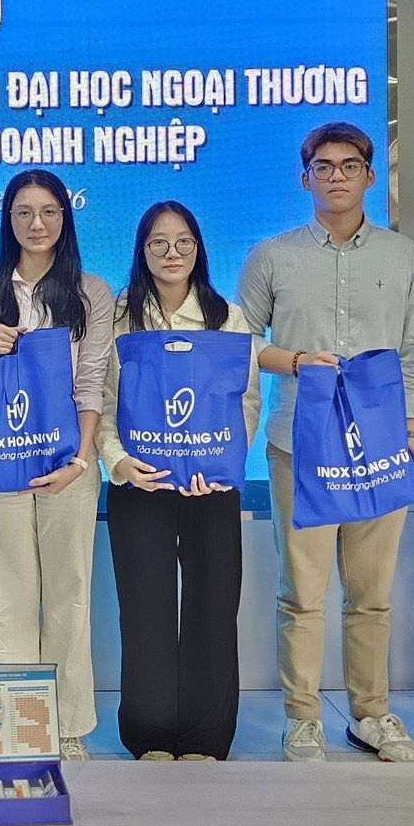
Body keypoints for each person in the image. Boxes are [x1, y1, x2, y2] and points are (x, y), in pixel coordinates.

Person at [237, 121, 414, 764]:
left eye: (350, 165)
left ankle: (371, 715)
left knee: (370, 595)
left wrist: (410, 431)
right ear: (306, 178)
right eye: (323, 167)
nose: (337, 176)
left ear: (370, 175)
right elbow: (240, 342)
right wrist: (294, 361)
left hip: (382, 446)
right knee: (302, 594)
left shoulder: (403, 256)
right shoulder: (273, 256)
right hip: (300, 443)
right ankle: (302, 720)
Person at [0, 169, 113, 761]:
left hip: (68, 465)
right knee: (4, 596)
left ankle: (67, 726)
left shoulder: (91, 292)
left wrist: (81, 459)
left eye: (48, 211)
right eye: (23, 212)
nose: (36, 223)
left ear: (64, 218)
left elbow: (91, 381)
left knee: (70, 594)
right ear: (8, 220)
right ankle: (15, 727)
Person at [100, 201, 262, 761]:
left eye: (183, 242)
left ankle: (205, 736)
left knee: (213, 607)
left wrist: (221, 465)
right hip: (137, 484)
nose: (172, 253)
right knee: (144, 607)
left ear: (198, 248)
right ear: (141, 251)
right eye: (158, 243)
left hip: (209, 487)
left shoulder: (227, 317)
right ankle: (148, 733)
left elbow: (245, 400)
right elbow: (101, 398)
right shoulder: (117, 316)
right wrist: (118, 462)